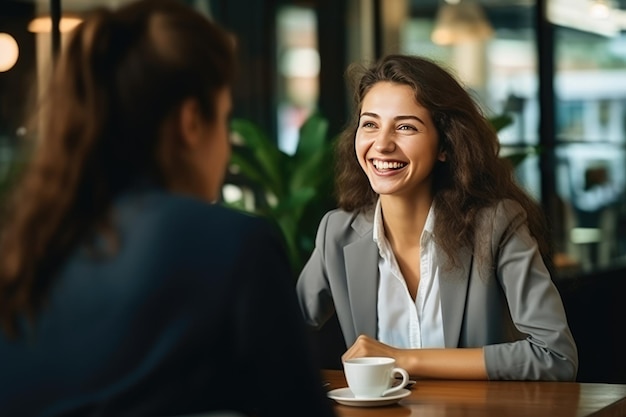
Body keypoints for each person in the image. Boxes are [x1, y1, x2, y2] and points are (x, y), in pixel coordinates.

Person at [0, 1, 335, 416]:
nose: (227, 146)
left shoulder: (25, 247)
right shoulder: (232, 245)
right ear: (191, 121)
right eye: (225, 120)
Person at [296, 54, 578, 381]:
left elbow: (555, 356)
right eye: (370, 124)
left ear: (445, 144)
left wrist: (404, 360)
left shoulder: (496, 225)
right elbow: (276, 334)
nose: (382, 144)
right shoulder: (337, 232)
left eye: (405, 127)